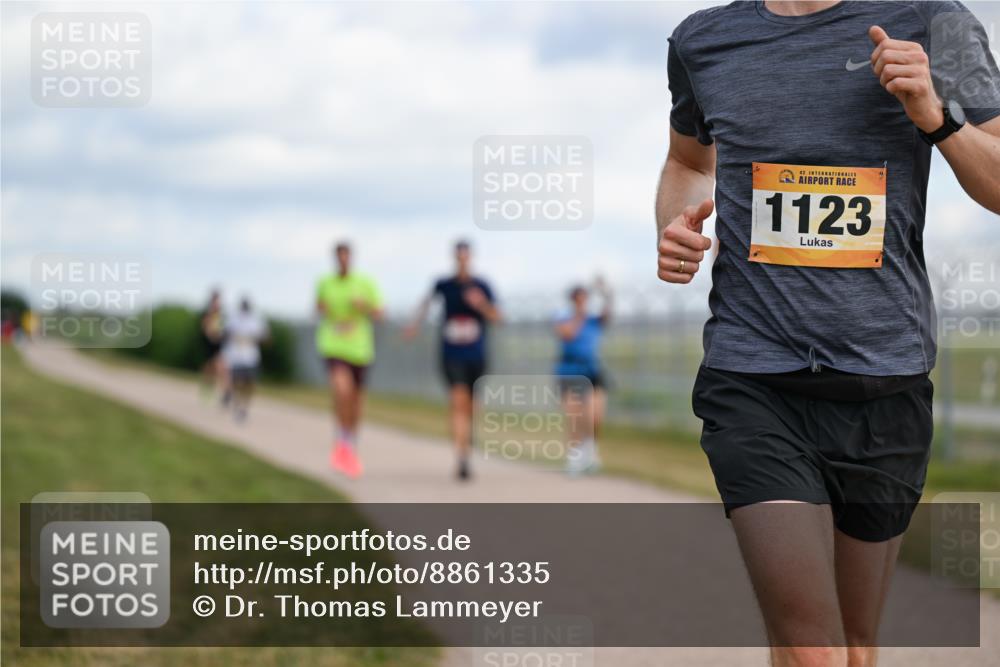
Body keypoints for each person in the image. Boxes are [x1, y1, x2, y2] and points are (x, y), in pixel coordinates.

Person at [657, 1, 1000, 665]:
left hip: (885, 382)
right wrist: (676, 225)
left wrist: (935, 114)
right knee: (811, 644)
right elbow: (687, 163)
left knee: (853, 642)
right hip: (753, 376)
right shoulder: (705, 40)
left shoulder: (934, 22)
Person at [404, 240, 501, 480]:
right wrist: (415, 325)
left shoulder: (482, 285)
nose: (462, 261)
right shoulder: (444, 285)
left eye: (466, 257)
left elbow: (497, 317)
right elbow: (426, 303)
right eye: (459, 257)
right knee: (458, 400)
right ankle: (462, 458)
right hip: (451, 354)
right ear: (454, 258)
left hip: (476, 355)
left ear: (471, 258)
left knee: (471, 407)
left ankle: (466, 439)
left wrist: (481, 304)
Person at [316, 242, 384, 478]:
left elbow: (380, 313)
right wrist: (323, 309)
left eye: (347, 256)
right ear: (335, 259)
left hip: (360, 349)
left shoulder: (365, 283)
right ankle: (342, 439)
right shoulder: (326, 283)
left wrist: (362, 306)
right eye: (340, 257)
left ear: (351, 258)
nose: (343, 261)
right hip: (334, 345)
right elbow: (318, 307)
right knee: (341, 390)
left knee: (356, 401)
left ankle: (349, 442)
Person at [553, 278, 612, 475]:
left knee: (595, 415)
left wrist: (605, 292)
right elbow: (568, 334)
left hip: (592, 370)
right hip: (569, 372)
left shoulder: (593, 320)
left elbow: (606, 315)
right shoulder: (564, 318)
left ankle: (590, 450)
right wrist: (579, 314)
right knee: (575, 416)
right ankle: (574, 457)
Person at [221, 297, 269, 423]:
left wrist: (254, 339)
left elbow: (265, 336)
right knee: (237, 382)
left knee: (249, 383)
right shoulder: (233, 319)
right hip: (236, 357)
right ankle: (238, 404)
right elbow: (225, 333)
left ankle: (244, 407)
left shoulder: (256, 320)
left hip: (251, 357)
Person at [198, 290, 226, 401]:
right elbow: (205, 328)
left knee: (220, 367)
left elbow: (222, 329)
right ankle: (207, 390)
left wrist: (220, 336)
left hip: (218, 344)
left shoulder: (221, 315)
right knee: (209, 369)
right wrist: (211, 335)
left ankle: (224, 393)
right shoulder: (208, 314)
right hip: (209, 343)